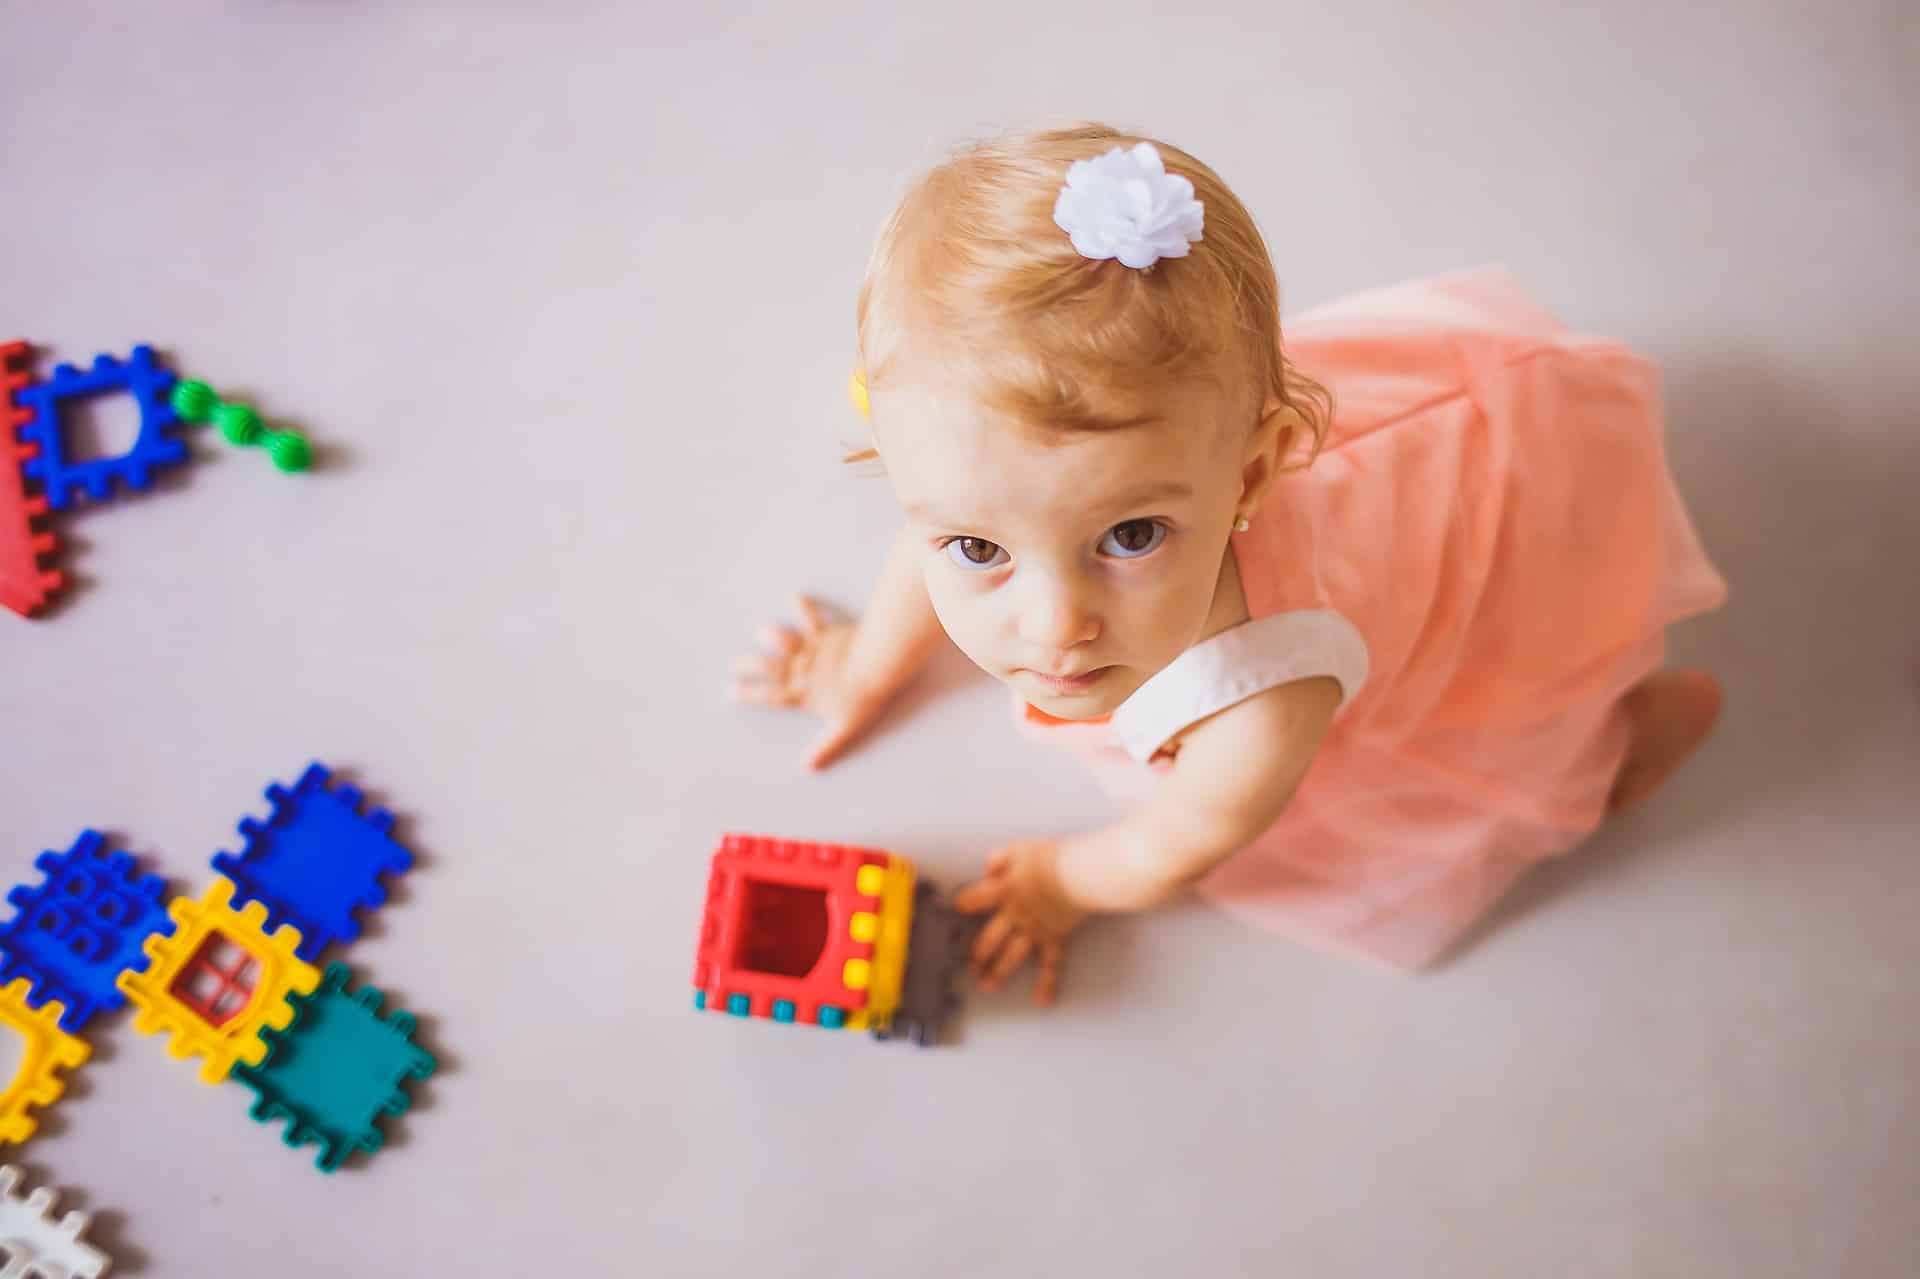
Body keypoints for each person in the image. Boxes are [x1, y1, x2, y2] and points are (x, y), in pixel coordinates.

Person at [731, 124, 1727, 1001]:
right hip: (1320, 478)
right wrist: (866, 663)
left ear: (1254, 470)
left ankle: (1619, 747)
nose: (1052, 624)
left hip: (1464, 547)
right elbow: (923, 543)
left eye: (1130, 537)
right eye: (980, 548)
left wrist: (1059, 882)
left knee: (1527, 726)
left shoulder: (1263, 698)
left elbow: (1181, 840)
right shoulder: (1019, 477)